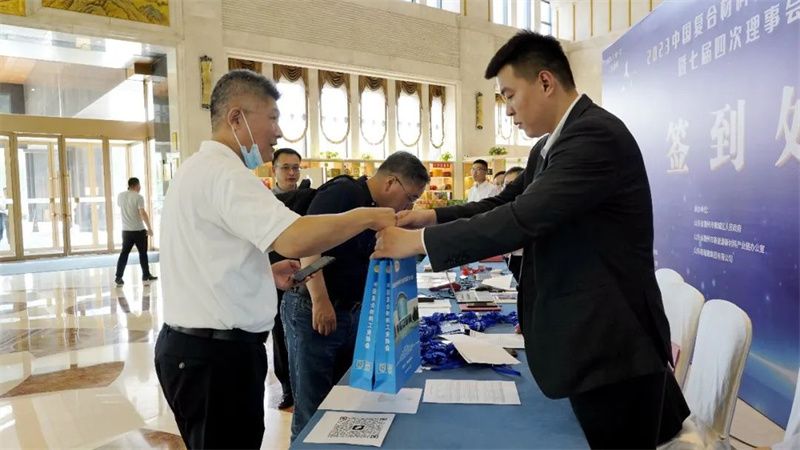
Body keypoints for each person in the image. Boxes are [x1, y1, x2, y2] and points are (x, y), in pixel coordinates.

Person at [372, 31, 689, 449]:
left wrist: (419, 243)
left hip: (614, 349)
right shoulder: (548, 147)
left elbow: (523, 218)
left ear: (545, 82)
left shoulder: (595, 136)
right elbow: (505, 201)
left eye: (509, 95)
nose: (507, 110)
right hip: (588, 340)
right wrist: (428, 217)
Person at [155, 69, 395, 450]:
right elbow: (295, 237)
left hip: (197, 350)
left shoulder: (196, 170)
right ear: (236, 118)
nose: (279, 131)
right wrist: (366, 216)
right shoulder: (226, 174)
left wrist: (263, 274)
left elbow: (205, 261)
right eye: (272, 117)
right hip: (216, 359)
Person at [283, 151, 429, 440]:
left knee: (345, 398)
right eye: (410, 197)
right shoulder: (344, 193)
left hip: (352, 311)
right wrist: (320, 300)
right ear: (391, 182)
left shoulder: (378, 211)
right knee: (312, 404)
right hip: (316, 308)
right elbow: (308, 245)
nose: (409, 205)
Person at [269, 147, 303, 409]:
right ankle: (287, 387)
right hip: (274, 273)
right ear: (274, 170)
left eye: (295, 168)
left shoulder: (309, 199)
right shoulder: (264, 202)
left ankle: (303, 383)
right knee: (280, 332)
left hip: (302, 271)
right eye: (285, 168)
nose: (291, 173)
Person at [115, 177, 157, 286]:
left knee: (124, 254)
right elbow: (142, 213)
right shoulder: (138, 197)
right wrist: (149, 228)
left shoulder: (120, 196)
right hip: (138, 230)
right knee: (143, 253)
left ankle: (118, 277)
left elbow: (120, 206)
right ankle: (146, 275)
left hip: (126, 231)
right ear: (137, 186)